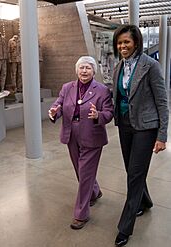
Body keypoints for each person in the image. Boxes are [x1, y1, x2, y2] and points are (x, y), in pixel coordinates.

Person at [112, 25, 169, 246]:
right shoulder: (119, 67)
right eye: (119, 43)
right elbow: (115, 97)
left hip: (146, 127)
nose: (122, 46)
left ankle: (125, 227)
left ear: (136, 42)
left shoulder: (151, 65)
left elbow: (162, 102)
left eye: (126, 42)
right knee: (132, 170)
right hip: (124, 125)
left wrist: (162, 135)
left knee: (135, 174)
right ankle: (145, 201)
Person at [48, 56, 114, 230]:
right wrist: (55, 111)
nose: (84, 71)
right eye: (81, 68)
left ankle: (81, 214)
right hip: (71, 134)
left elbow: (109, 113)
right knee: (80, 170)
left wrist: (98, 115)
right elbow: (59, 104)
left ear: (94, 71)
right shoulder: (67, 87)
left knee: (85, 174)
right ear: (76, 70)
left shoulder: (102, 90)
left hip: (92, 135)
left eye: (88, 68)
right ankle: (95, 192)